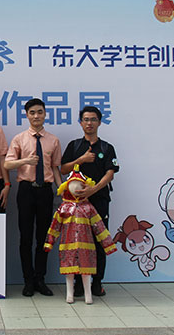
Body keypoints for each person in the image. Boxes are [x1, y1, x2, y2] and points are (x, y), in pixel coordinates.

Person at [4, 98, 62, 297]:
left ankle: (40, 279)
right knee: (26, 237)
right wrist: (25, 161)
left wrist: (62, 190)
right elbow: (7, 165)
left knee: (44, 237)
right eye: (32, 112)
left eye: (40, 112)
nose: (36, 116)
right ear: (27, 115)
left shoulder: (53, 140)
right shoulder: (19, 139)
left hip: (45, 191)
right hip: (26, 191)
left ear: (45, 114)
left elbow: (55, 168)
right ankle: (28, 280)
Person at [60, 106, 119, 297]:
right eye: (85, 119)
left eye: (93, 119)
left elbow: (110, 173)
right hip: (77, 203)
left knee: (99, 241)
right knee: (78, 242)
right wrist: (82, 159)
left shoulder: (107, 148)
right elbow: (63, 169)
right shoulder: (75, 146)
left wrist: (94, 189)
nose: (89, 123)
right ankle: (79, 283)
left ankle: (97, 282)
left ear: (99, 122)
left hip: (99, 200)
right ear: (80, 123)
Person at [44, 166, 117, 304]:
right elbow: (55, 226)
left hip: (86, 246)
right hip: (68, 245)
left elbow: (99, 226)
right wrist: (49, 242)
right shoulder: (64, 208)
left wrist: (107, 244)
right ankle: (69, 293)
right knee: (69, 271)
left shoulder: (88, 208)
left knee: (86, 271)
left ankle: (88, 294)